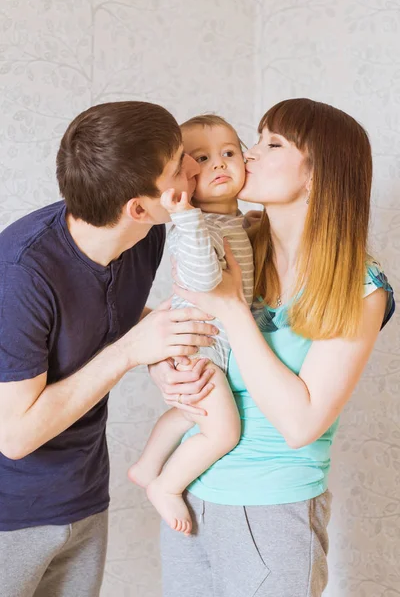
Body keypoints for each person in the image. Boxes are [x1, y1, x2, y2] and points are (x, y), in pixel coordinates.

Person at [150, 98, 395, 597]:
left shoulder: (359, 287)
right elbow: (169, 323)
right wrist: (163, 368)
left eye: (273, 143)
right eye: (256, 138)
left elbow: (301, 423)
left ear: (318, 173)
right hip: (190, 496)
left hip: (271, 512)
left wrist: (233, 311)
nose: (249, 153)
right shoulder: (231, 243)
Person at [0, 101, 218, 597]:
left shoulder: (147, 235)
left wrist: (158, 355)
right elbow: (14, 435)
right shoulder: (21, 275)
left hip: (84, 495)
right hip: (10, 514)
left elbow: (103, 320)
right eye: (179, 163)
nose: (194, 168)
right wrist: (130, 353)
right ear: (137, 207)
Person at [129, 115, 254, 536]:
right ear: (183, 179)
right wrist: (185, 218)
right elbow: (202, 280)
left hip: (207, 339)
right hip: (198, 341)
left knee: (187, 412)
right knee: (222, 432)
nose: (218, 164)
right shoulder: (192, 227)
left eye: (229, 153)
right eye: (202, 158)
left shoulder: (233, 221)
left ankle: (147, 466)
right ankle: (166, 485)